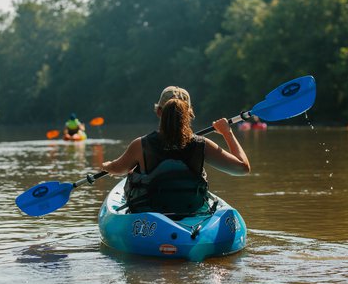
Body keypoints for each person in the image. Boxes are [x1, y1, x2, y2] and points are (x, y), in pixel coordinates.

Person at [102, 86, 250, 214]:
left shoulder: (141, 145)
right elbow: (242, 169)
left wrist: (106, 165)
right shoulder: (202, 145)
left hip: (151, 213)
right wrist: (227, 133)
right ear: (189, 113)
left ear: (159, 111)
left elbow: (117, 169)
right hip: (190, 210)